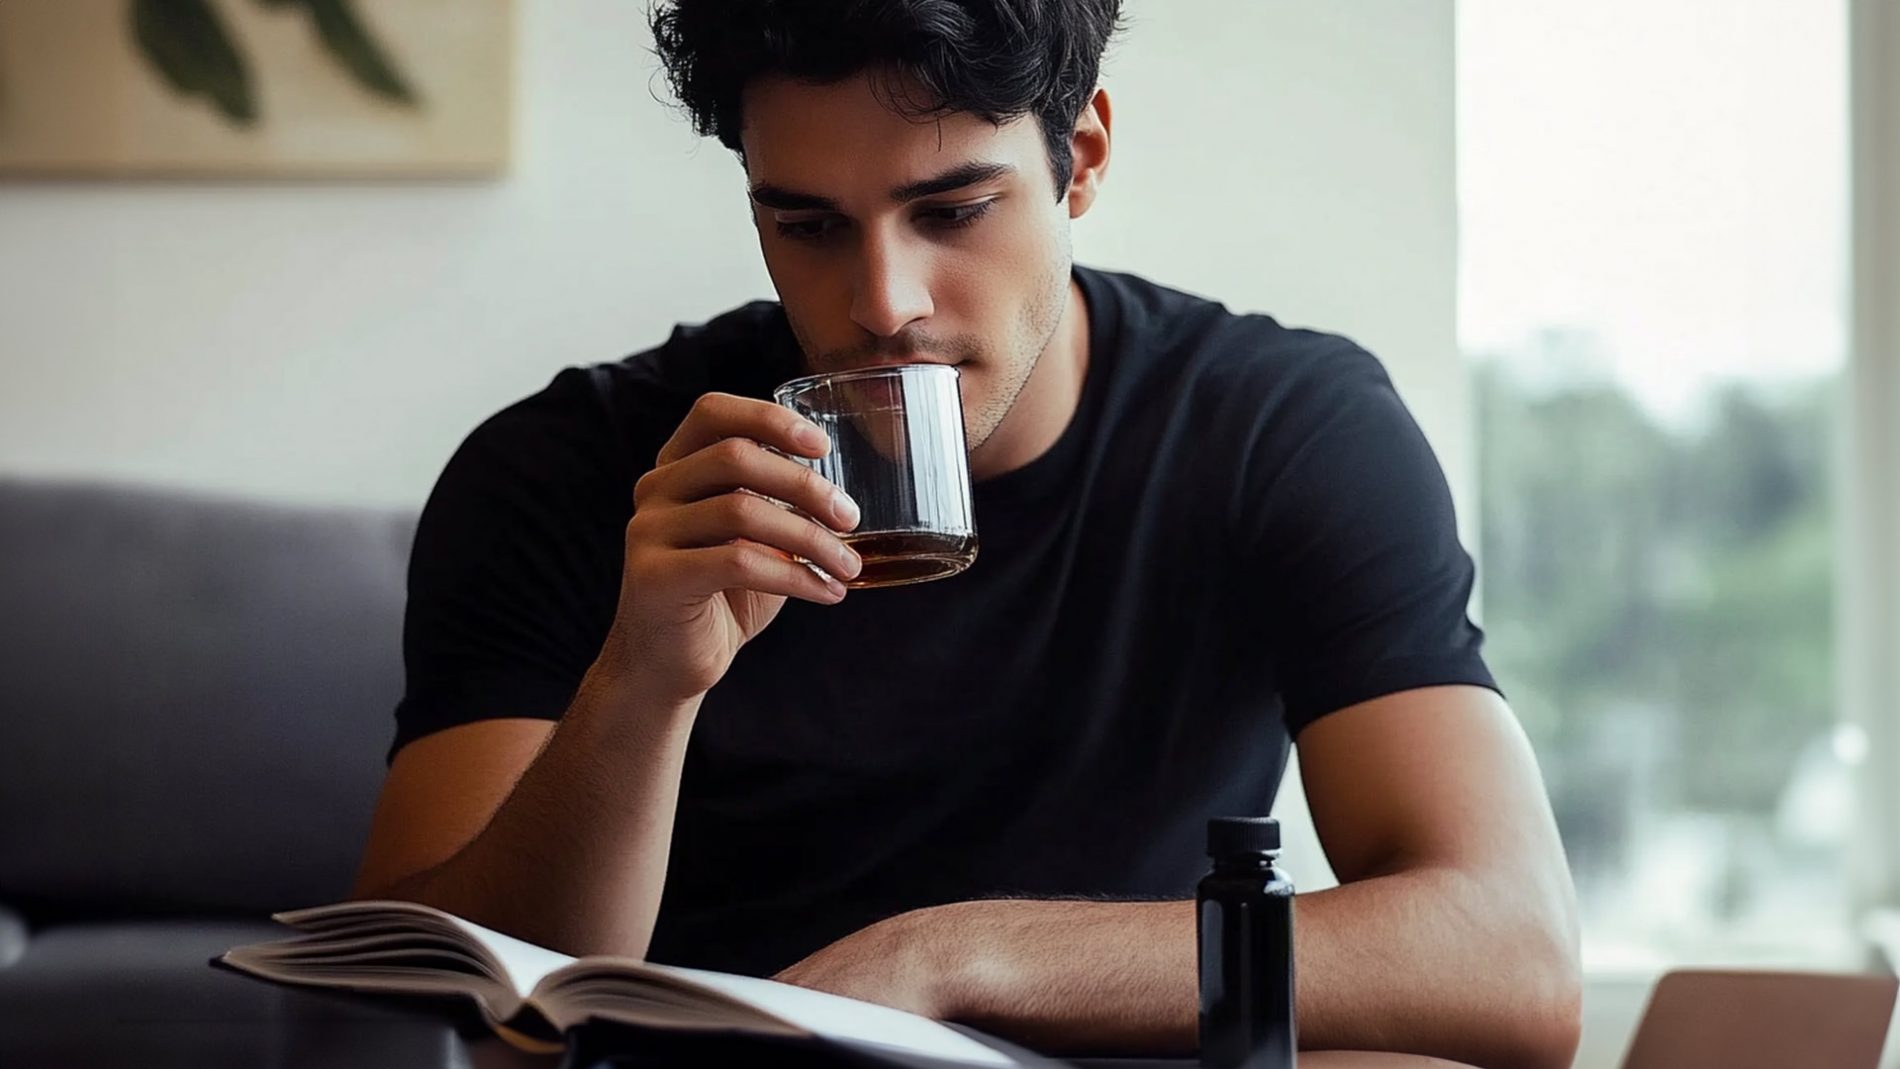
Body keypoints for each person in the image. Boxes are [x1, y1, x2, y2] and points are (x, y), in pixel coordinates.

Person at [351, 2, 1581, 1065]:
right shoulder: (567, 470)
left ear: (1081, 158)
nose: (881, 303)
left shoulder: (1277, 430)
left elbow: (1512, 959)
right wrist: (640, 682)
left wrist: (953, 956)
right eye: (808, 225)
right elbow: (442, 1012)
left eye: (952, 210)